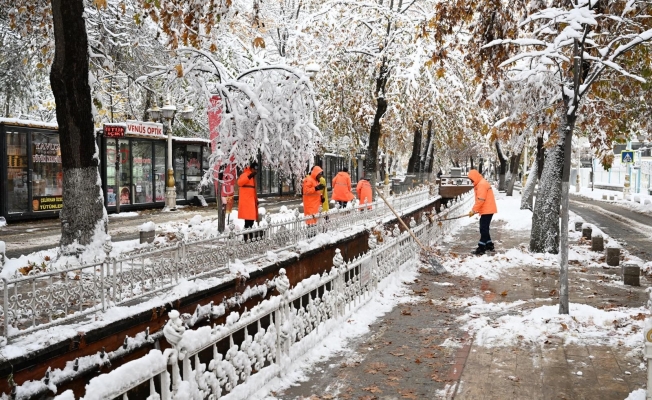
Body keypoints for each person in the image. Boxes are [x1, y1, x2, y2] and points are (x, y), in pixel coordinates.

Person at [467, 169, 497, 255]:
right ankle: (489, 245)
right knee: (484, 227)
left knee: (483, 228)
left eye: (471, 179)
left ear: (475, 177)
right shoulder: (481, 183)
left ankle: (481, 247)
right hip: (487, 209)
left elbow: (480, 199)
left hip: (487, 209)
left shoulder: (481, 185)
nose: (471, 181)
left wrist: (473, 210)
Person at [237, 161, 259, 241]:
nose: (255, 171)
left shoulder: (253, 177)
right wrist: (249, 176)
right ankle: (246, 237)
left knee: (251, 220)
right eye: (254, 169)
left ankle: (249, 235)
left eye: (256, 170)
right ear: (251, 168)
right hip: (246, 202)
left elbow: (254, 190)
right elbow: (239, 182)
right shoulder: (245, 174)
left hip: (251, 201)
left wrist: (256, 200)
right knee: (247, 220)